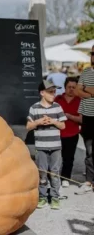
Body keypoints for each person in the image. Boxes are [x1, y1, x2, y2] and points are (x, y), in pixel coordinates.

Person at [26, 79, 67, 210]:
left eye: (54, 92)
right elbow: (28, 126)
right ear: (42, 93)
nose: (53, 94)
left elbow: (63, 125)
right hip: (41, 147)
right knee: (42, 173)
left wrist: (53, 121)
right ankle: (43, 197)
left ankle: (55, 197)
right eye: (50, 92)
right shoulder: (34, 108)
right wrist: (38, 122)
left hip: (55, 146)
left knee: (55, 172)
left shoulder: (57, 107)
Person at [54, 77, 82, 187]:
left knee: (68, 158)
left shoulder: (80, 101)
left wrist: (68, 116)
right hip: (57, 133)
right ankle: (54, 178)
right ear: (65, 87)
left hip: (72, 133)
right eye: (69, 87)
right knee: (54, 158)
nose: (71, 89)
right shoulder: (58, 99)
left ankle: (65, 178)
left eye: (73, 88)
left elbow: (81, 119)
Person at [74, 45, 94, 194]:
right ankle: (89, 181)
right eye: (92, 53)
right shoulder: (86, 71)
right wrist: (89, 92)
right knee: (89, 151)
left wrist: (86, 89)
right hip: (87, 117)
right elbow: (76, 90)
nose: (93, 56)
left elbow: (83, 89)